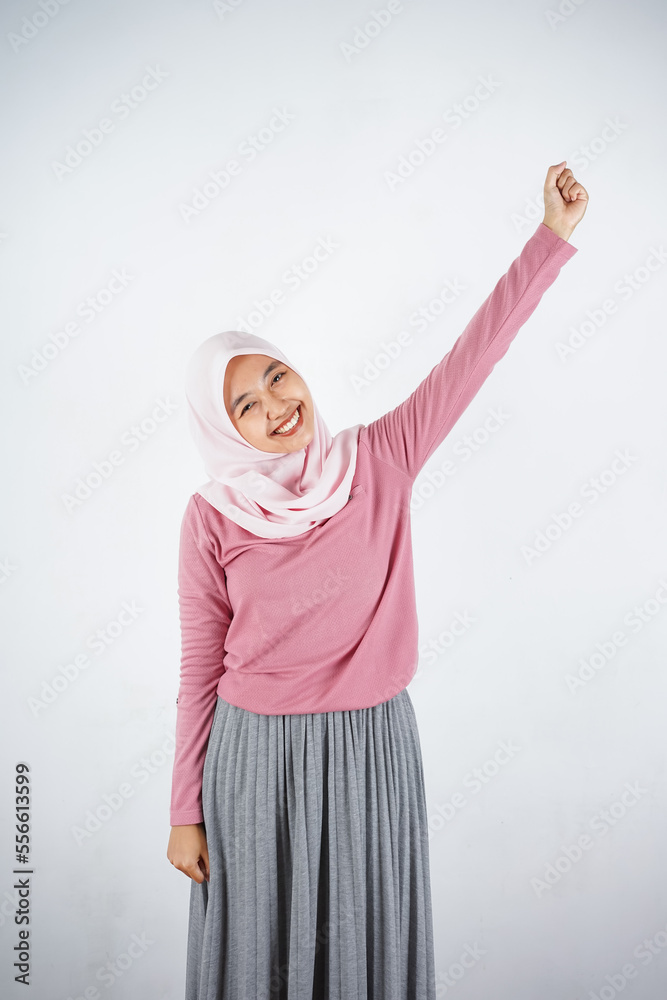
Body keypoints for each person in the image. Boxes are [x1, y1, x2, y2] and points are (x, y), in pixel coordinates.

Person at [167, 161, 588, 999]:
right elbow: (198, 668)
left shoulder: (380, 457)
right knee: (262, 957)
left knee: (366, 949)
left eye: (275, 376)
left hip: (372, 749)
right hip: (256, 762)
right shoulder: (211, 516)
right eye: (245, 404)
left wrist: (550, 237)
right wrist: (184, 809)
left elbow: (474, 355)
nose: (275, 405)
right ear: (224, 428)